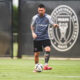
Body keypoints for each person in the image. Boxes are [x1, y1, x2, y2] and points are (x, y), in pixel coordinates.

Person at [30, 4, 58, 72]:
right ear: (38, 10)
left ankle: (46, 65)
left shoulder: (48, 17)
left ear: (44, 10)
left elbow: (52, 23)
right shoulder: (35, 17)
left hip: (45, 37)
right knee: (36, 54)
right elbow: (32, 26)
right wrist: (33, 33)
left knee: (48, 49)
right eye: (39, 10)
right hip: (37, 38)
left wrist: (54, 25)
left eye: (41, 10)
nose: (40, 11)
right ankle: (36, 67)